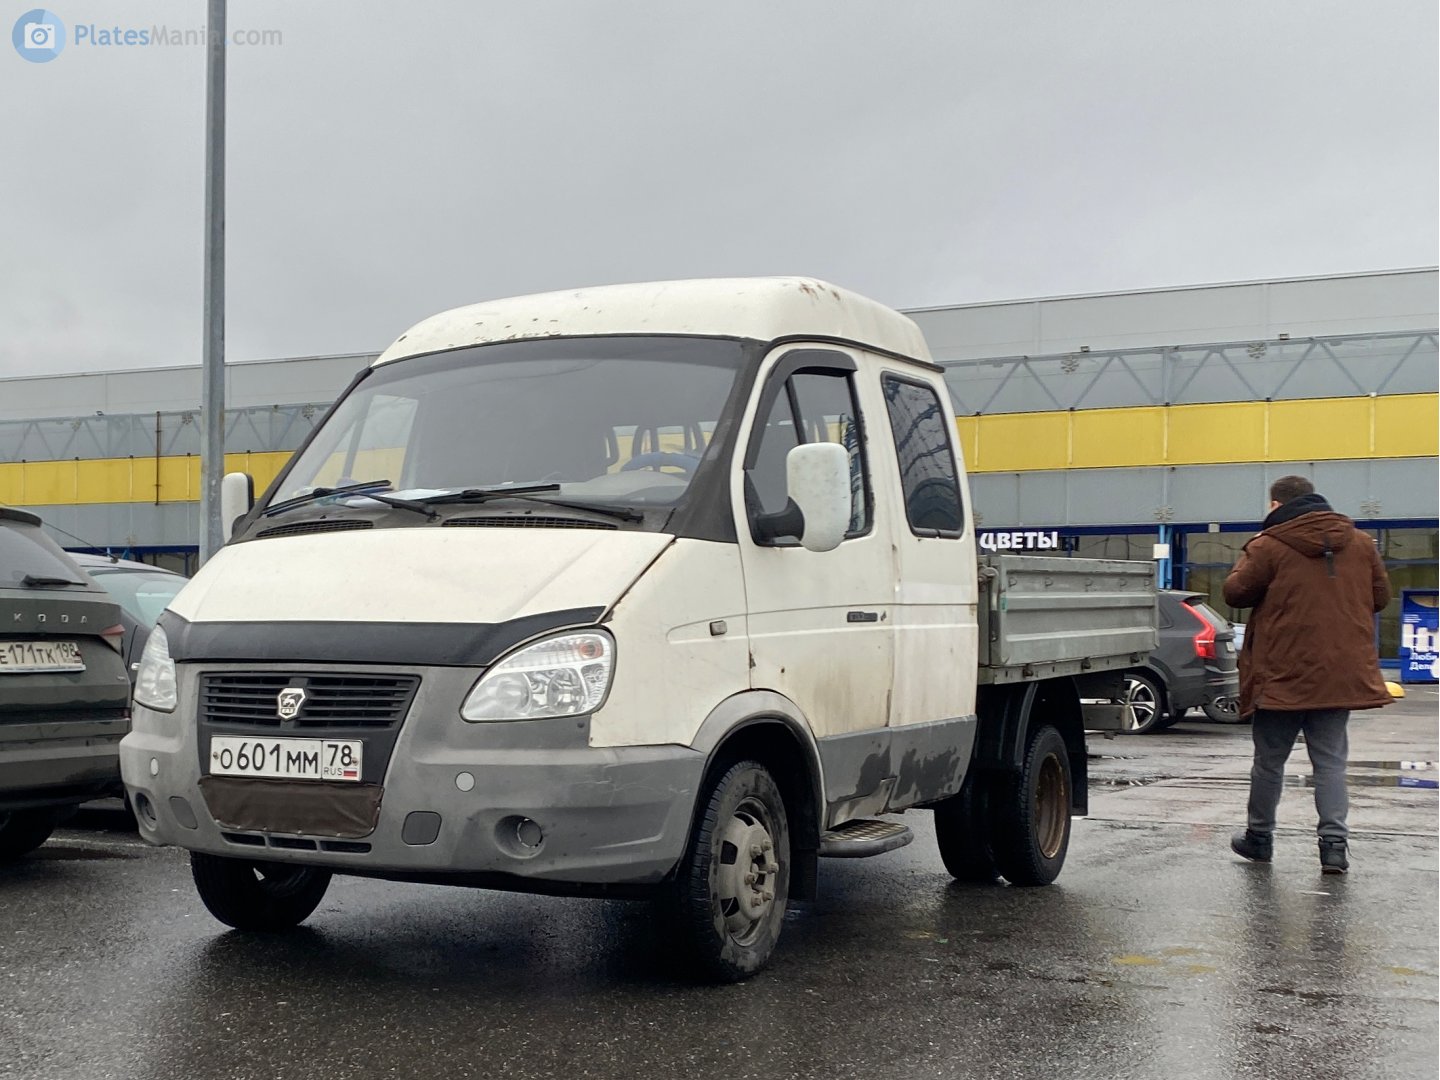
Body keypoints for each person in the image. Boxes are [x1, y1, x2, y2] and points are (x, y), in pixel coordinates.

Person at [1224, 475, 1391, 874]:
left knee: (1269, 762)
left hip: (1281, 671)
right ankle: (1334, 846)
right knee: (1331, 761)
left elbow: (1234, 593)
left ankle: (1260, 839)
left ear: (1277, 506)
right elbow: (1380, 597)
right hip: (1339, 672)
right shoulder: (1362, 543)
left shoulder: (1269, 545)